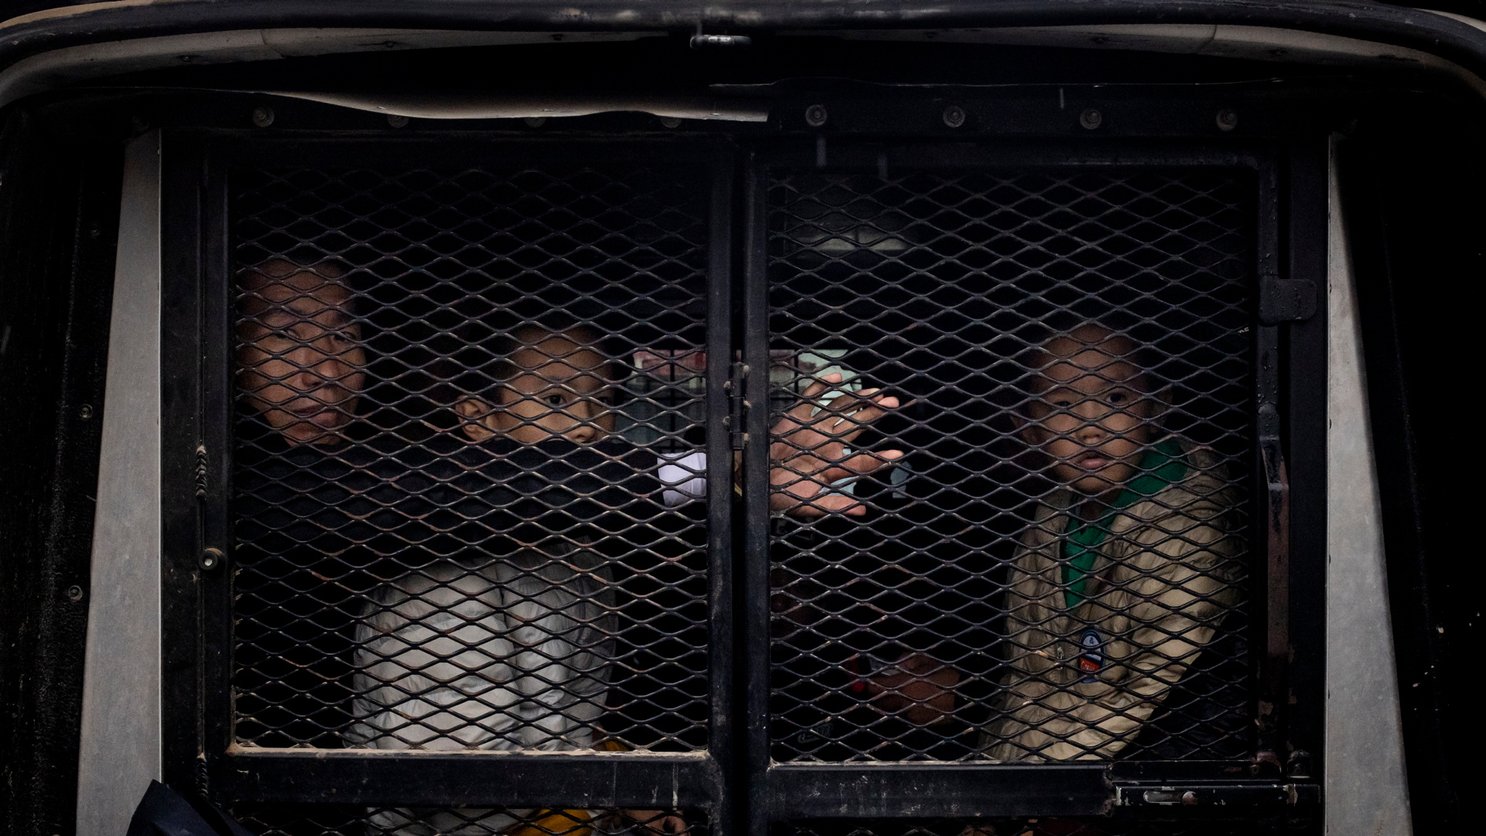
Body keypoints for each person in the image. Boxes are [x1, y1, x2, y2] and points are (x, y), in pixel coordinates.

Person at [340, 321, 903, 834]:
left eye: (600, 401)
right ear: (480, 420)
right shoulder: (446, 590)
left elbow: (555, 727)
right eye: (557, 399)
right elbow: (456, 785)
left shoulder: (575, 553)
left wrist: (621, 784)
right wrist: (596, 803)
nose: (588, 424)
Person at [983, 321, 1242, 763]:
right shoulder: (1054, 514)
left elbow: (1156, 694)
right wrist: (995, 776)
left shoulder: (1188, 526)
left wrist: (1034, 794)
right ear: (1028, 428)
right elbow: (1026, 677)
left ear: (1156, 407)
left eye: (1114, 399)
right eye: (1063, 404)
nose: (1090, 426)